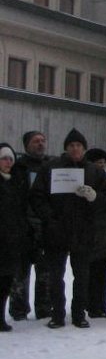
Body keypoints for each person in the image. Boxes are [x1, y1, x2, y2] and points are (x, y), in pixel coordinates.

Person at [28, 128, 106, 329]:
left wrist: (94, 197)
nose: (75, 149)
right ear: (66, 148)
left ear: (84, 149)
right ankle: (57, 313)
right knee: (56, 277)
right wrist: (49, 218)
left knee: (82, 276)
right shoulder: (50, 168)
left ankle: (78, 313)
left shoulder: (95, 171)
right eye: (72, 145)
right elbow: (37, 196)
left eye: (79, 146)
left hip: (83, 232)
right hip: (56, 231)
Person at [9, 130, 52, 321]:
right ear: (27, 145)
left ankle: (44, 308)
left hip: (45, 225)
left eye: (43, 141)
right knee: (20, 272)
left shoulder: (51, 167)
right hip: (23, 226)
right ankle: (18, 309)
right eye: (36, 141)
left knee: (45, 272)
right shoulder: (18, 168)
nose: (41, 144)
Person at [0, 142, 31, 332]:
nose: (7, 162)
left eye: (10, 159)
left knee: (5, 282)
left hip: (12, 241)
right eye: (4, 158)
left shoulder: (15, 181)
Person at [84, 148, 106, 319]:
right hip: (93, 232)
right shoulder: (86, 180)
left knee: (104, 273)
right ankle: (91, 304)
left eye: (103, 163)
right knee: (92, 272)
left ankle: (102, 304)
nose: (101, 165)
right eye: (98, 162)